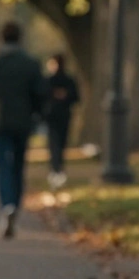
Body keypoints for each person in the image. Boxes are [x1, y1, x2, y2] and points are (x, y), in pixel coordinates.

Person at [0, 21, 47, 239]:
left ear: (2, 37)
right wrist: (36, 113)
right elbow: (41, 93)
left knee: (3, 164)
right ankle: (15, 203)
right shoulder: (31, 63)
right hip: (23, 120)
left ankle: (7, 205)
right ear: (20, 38)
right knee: (18, 165)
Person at [45, 54, 80, 189]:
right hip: (58, 116)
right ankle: (57, 168)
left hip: (57, 115)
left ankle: (56, 168)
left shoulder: (50, 81)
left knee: (56, 143)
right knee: (57, 143)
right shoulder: (66, 80)